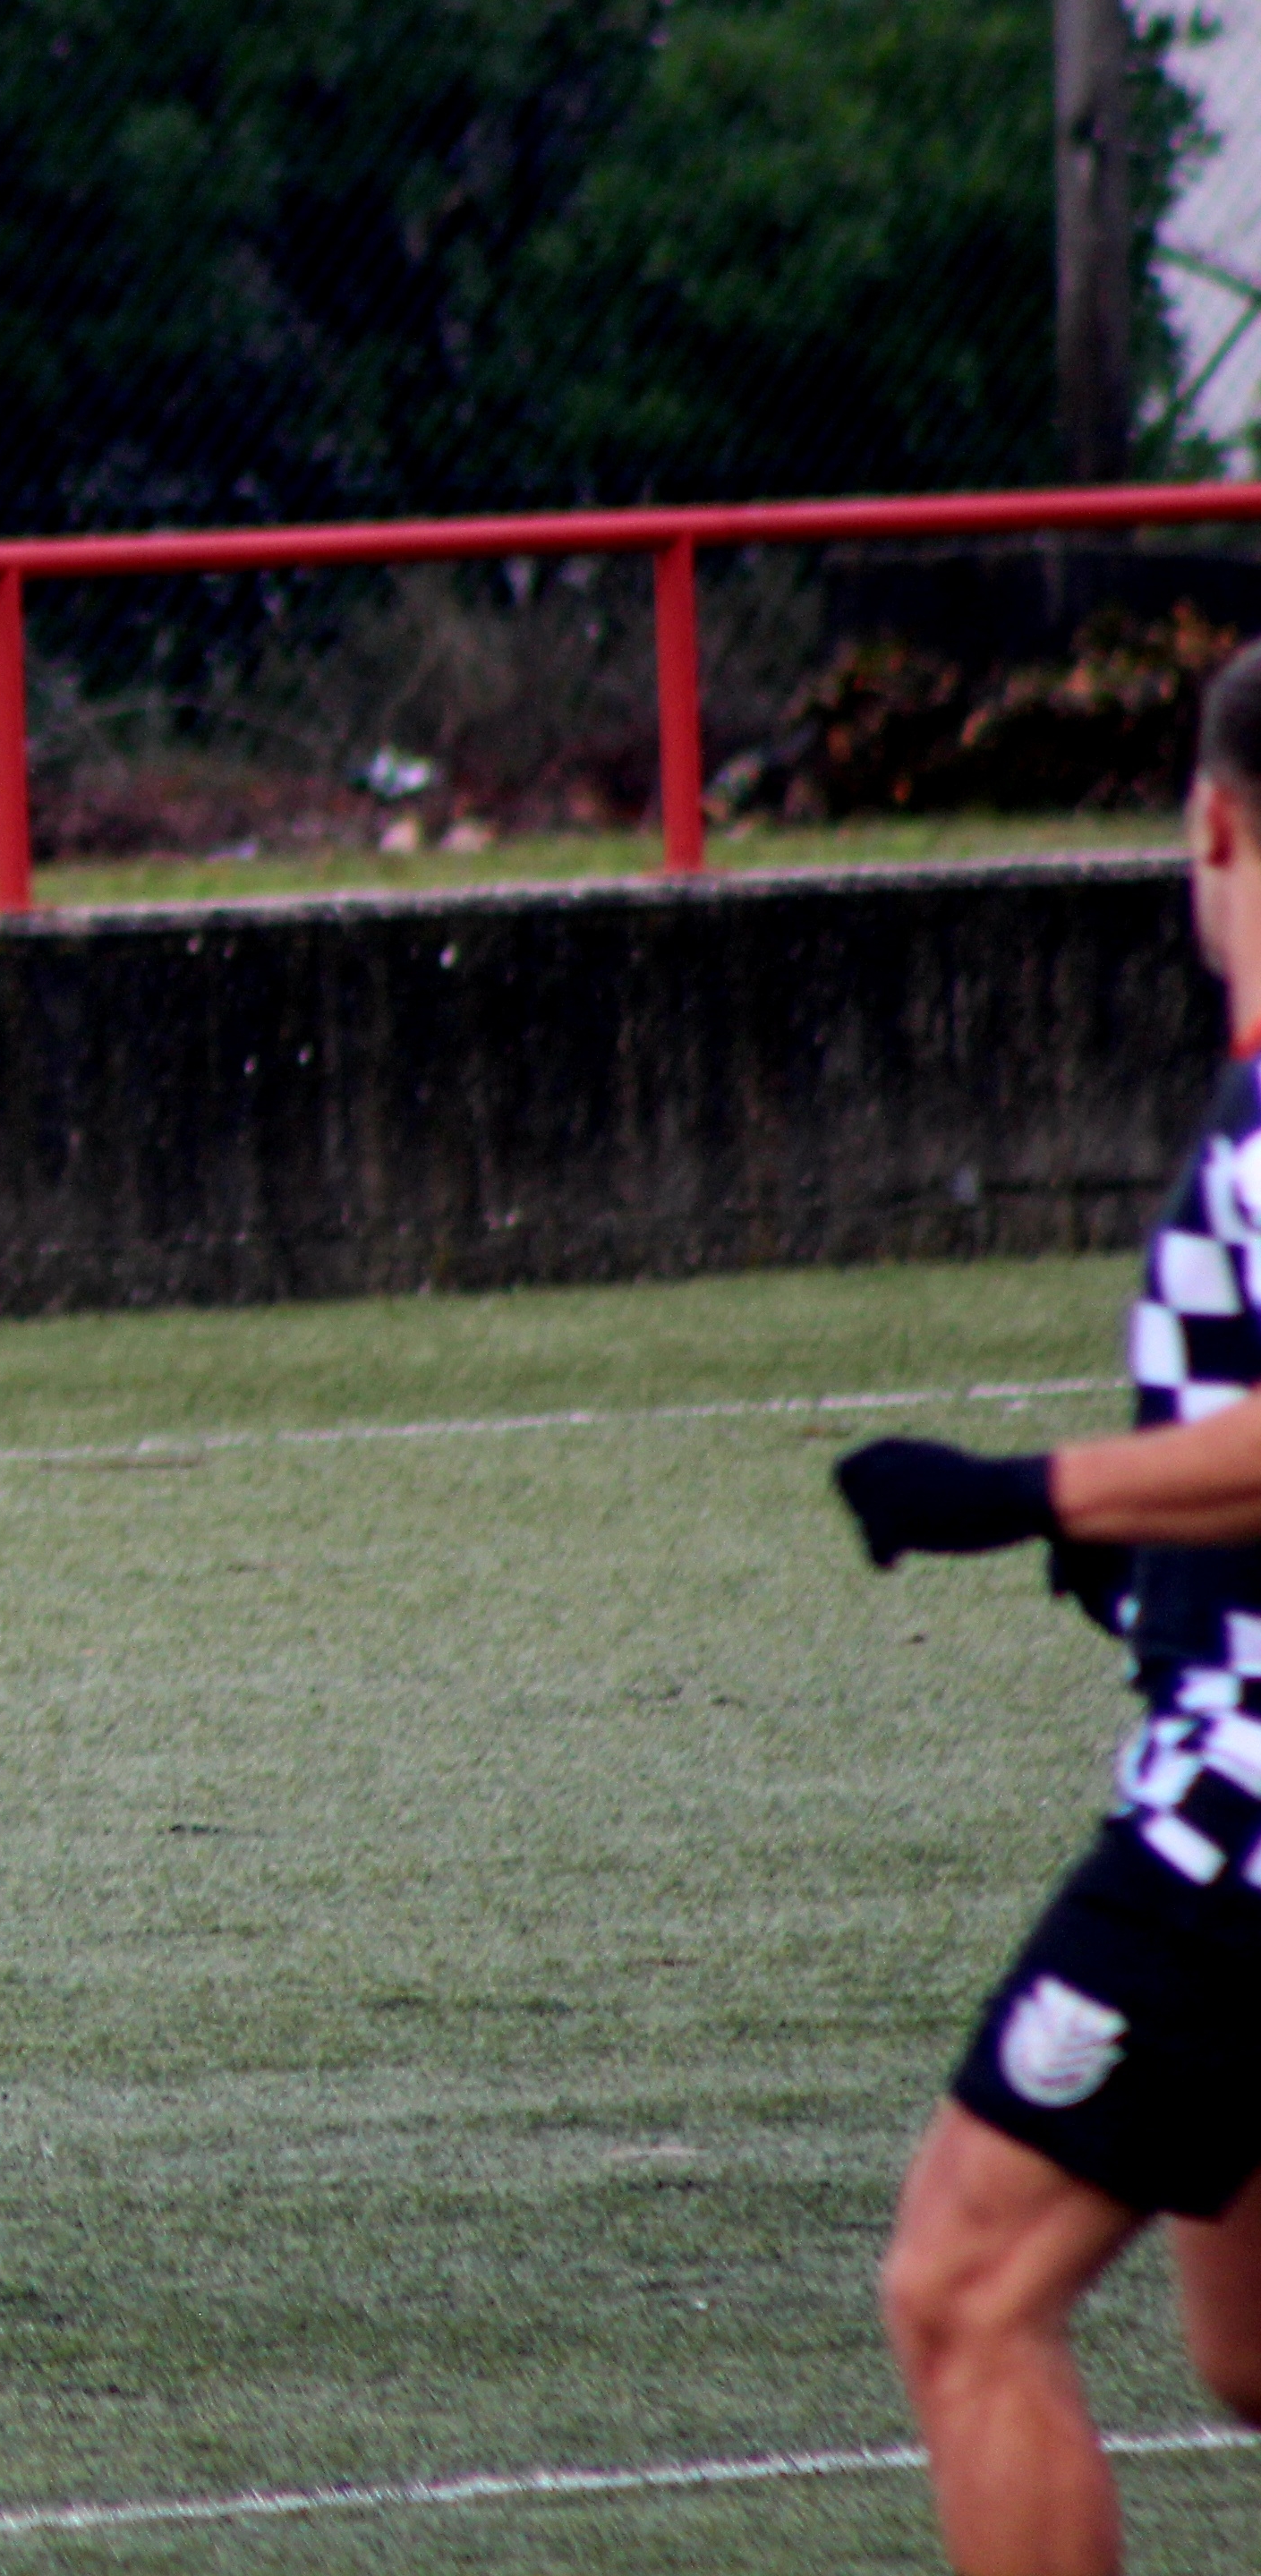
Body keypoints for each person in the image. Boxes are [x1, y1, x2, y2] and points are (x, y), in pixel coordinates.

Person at [830, 643, 1261, 2575]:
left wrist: (1022, 1497)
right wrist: (1163, 1561)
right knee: (1251, 2358)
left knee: (964, 2292)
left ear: (1217, 821)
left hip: (1235, 1821)